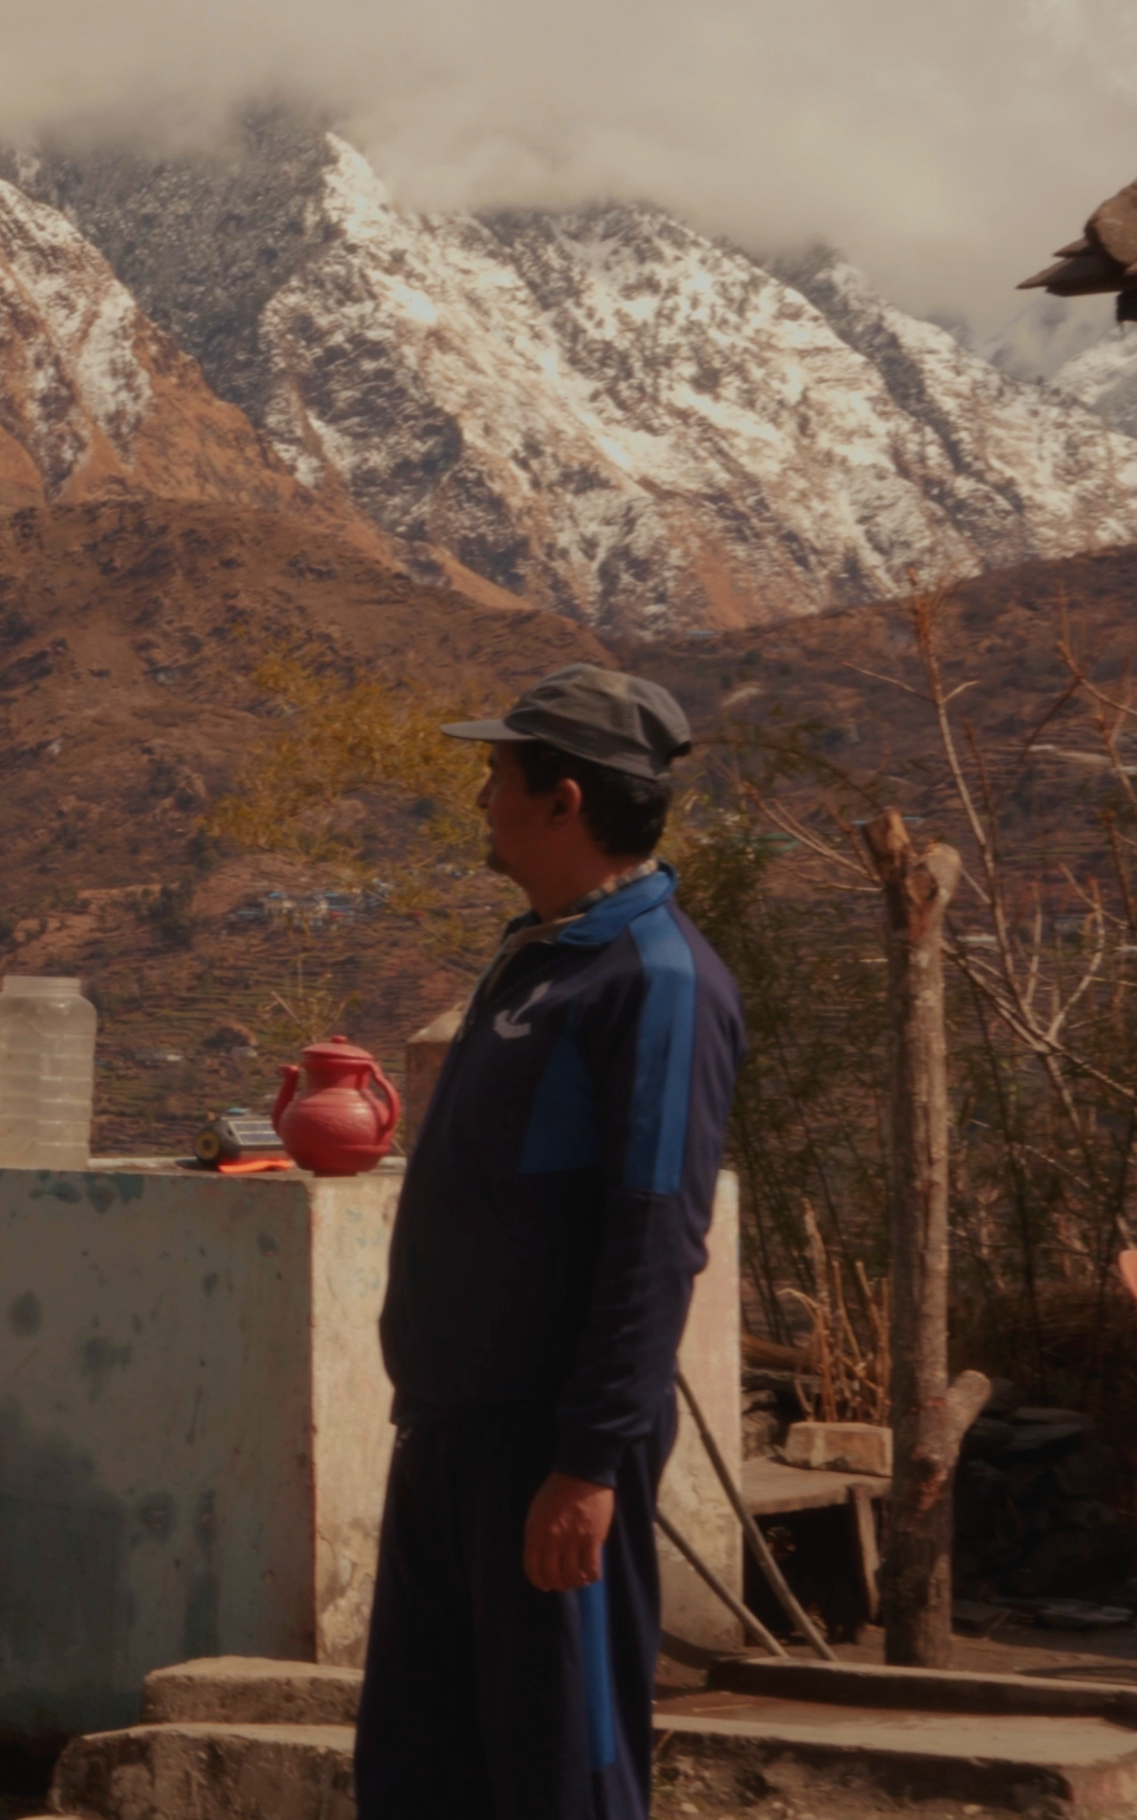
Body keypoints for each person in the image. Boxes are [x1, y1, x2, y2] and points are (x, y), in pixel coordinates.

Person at [356, 663, 742, 1820]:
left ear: (563, 799)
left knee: (552, 1772)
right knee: (423, 1767)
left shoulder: (655, 981)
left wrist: (585, 1465)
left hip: (545, 1452)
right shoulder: (540, 956)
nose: (481, 796)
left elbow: (653, 1236)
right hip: (445, 1434)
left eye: (498, 773)